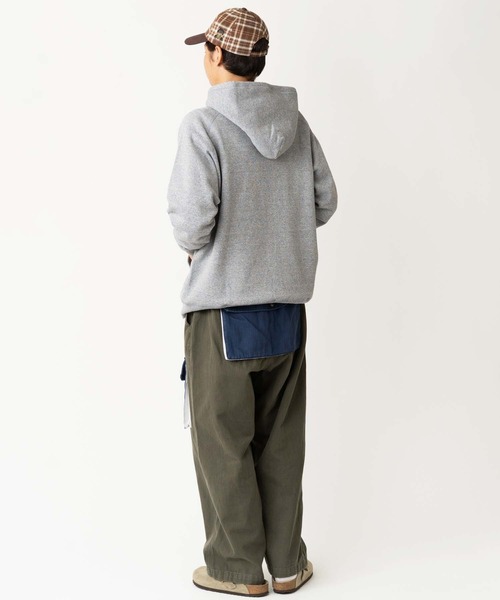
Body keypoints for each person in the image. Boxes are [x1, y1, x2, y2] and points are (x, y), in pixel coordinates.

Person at [167, 7, 337, 597]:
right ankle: (288, 566)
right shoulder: (298, 125)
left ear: (217, 55)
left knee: (223, 446)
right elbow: (325, 202)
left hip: (222, 315)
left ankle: (236, 570)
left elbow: (191, 224)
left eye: (205, 49)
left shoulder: (203, 127)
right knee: (282, 444)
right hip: (287, 313)